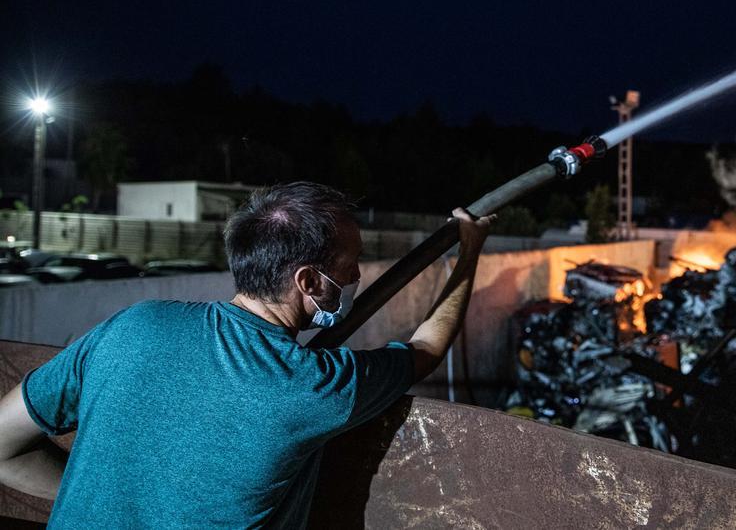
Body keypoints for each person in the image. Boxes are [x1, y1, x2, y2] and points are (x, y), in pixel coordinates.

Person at [0, 182, 493, 527]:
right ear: (308, 281)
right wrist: (469, 253)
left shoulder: (133, 325)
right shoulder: (313, 386)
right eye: (350, 263)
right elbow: (426, 347)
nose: (357, 276)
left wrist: (101, 504)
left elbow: (4, 445)